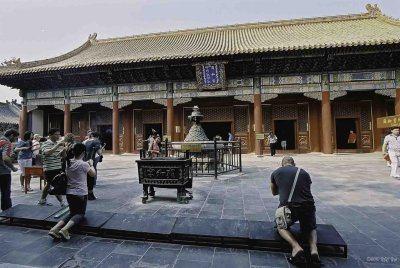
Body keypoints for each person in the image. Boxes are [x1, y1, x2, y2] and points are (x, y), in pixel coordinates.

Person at [270, 156, 320, 267]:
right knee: (310, 228)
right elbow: (306, 189)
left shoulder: (276, 172)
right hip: (309, 206)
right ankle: (314, 250)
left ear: (282, 164)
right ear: (294, 163)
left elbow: (274, 192)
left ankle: (296, 248)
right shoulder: (304, 172)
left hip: (290, 207)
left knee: (281, 227)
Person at [48, 143, 96, 240]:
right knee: (80, 214)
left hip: (69, 192)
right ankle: (65, 229)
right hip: (80, 193)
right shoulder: (83, 164)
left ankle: (55, 228)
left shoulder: (68, 162)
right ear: (83, 152)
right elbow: (92, 174)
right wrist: (91, 164)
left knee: (71, 213)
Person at [38, 128, 66, 206]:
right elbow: (48, 153)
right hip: (49, 167)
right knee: (55, 184)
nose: (58, 136)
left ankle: (42, 200)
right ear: (50, 135)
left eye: (59, 134)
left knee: (49, 184)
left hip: (58, 166)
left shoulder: (59, 143)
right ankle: (62, 202)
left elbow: (63, 157)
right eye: (56, 134)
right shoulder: (45, 143)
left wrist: (64, 150)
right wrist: (58, 145)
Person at [0, 129, 19, 211]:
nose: (15, 140)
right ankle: (7, 214)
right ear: (11, 135)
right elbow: (6, 159)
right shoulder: (6, 143)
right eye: (15, 138)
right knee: (5, 193)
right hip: (3, 172)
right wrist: (13, 168)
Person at [84, 131, 103, 200]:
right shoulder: (96, 142)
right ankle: (90, 194)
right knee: (91, 177)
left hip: (83, 160)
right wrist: (101, 149)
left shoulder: (85, 141)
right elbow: (99, 153)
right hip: (90, 161)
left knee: (85, 177)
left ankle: (85, 193)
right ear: (97, 137)